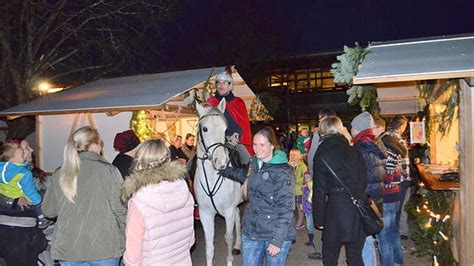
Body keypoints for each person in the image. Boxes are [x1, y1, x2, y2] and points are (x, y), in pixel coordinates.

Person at [42, 126, 126, 265]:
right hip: (104, 248)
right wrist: (123, 239)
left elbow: (49, 211)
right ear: (93, 145)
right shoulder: (109, 171)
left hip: (69, 249)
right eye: (100, 144)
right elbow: (121, 210)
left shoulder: (59, 173)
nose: (101, 148)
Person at [219, 127, 295, 266]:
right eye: (254, 144)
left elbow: (286, 208)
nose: (257, 149)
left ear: (272, 145)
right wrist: (223, 170)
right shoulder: (254, 163)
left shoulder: (283, 171)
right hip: (251, 232)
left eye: (262, 145)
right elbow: (243, 175)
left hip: (275, 234)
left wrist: (277, 241)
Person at [122, 139, 195, 265]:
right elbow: (191, 240)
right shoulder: (183, 191)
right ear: (167, 158)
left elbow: (132, 256)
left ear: (140, 160)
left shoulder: (139, 201)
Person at [312, 116, 367, 266]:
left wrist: (319, 219)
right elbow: (364, 180)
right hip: (357, 206)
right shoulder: (354, 150)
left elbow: (319, 191)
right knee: (355, 256)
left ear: (321, 132)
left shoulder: (321, 154)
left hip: (335, 210)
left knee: (330, 256)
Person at [350, 112, 387, 266]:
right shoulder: (376, 145)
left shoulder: (360, 149)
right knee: (369, 240)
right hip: (375, 200)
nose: (350, 130)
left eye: (352, 127)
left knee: (364, 244)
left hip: (364, 202)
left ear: (358, 129)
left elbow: (356, 178)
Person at [377, 115, 409, 266]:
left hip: (388, 194)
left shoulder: (386, 143)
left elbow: (389, 172)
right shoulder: (397, 143)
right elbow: (401, 171)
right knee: (392, 231)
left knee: (385, 235)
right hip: (396, 191)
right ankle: (397, 262)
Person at [207, 70, 253, 163]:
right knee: (193, 163)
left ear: (230, 86)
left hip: (234, 142)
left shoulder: (238, 103)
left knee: (247, 162)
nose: (221, 85)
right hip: (213, 142)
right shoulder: (210, 102)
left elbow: (243, 126)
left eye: (224, 83)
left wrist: (236, 135)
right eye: (218, 82)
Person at [289, 148, 307, 230]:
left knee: (300, 207)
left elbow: (305, 177)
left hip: (299, 190)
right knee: (291, 206)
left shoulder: (302, 166)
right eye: (291, 155)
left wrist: (296, 180)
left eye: (294, 155)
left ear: (299, 156)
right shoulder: (288, 165)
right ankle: (291, 221)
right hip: (290, 190)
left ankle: (301, 220)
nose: (292, 157)